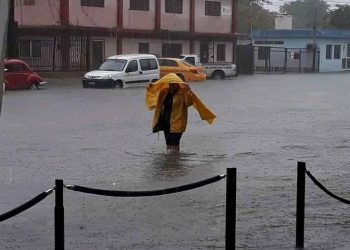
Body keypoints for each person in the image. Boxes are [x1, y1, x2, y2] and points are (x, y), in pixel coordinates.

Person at [146, 73, 216, 153]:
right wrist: (151, 87)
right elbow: (155, 98)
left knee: (175, 142)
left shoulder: (183, 93)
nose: (172, 85)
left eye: (174, 84)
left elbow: (188, 103)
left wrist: (189, 92)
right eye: (170, 83)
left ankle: (174, 160)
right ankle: (172, 161)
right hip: (166, 120)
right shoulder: (164, 92)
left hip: (178, 121)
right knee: (168, 142)